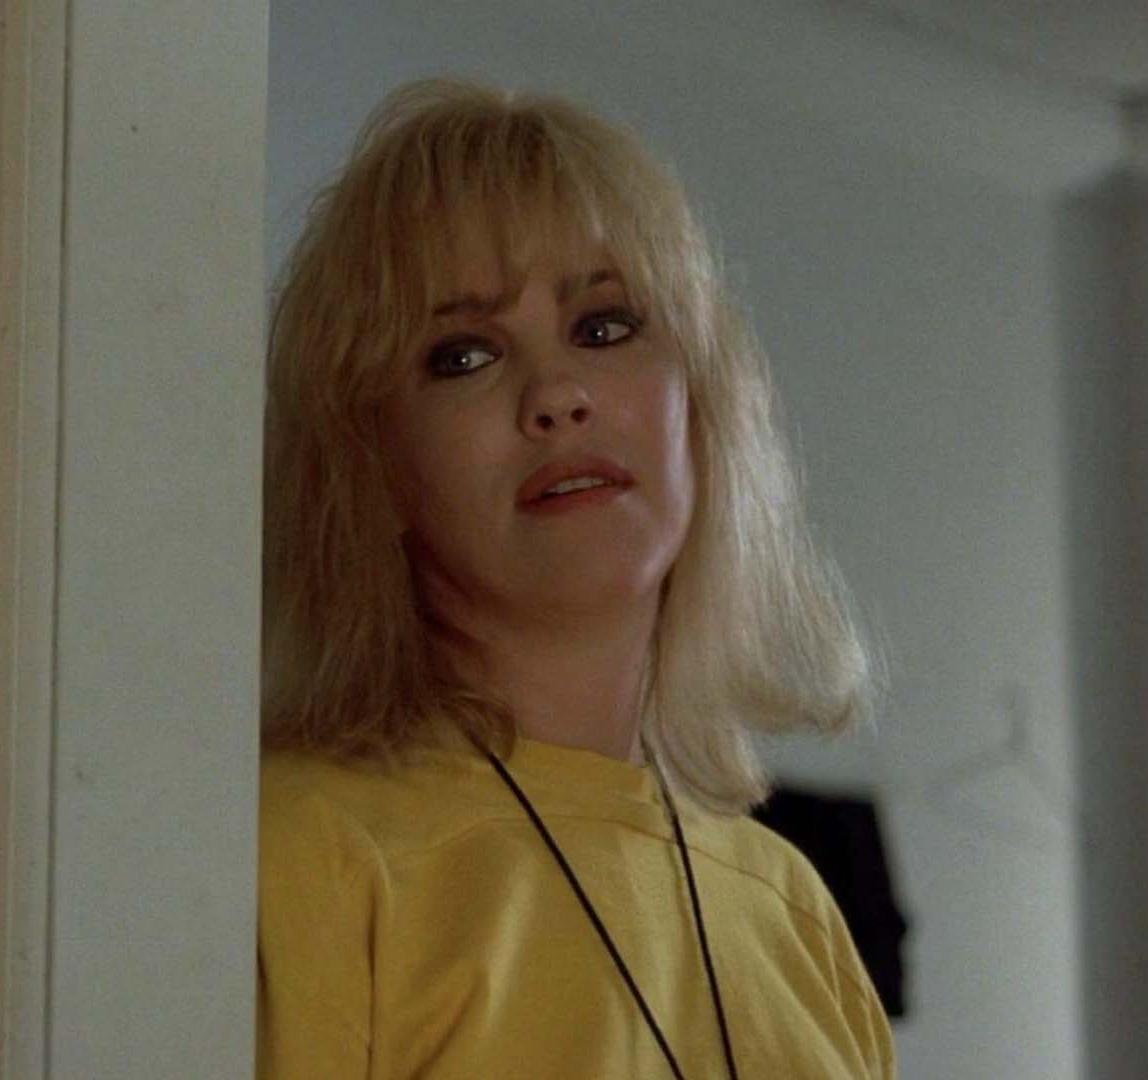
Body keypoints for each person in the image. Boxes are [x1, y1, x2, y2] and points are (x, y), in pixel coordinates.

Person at [258, 77, 893, 1079]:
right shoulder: (300, 850)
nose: (555, 395)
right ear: (369, 468)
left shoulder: (795, 913)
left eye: (603, 328)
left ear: (702, 407)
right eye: (464, 355)